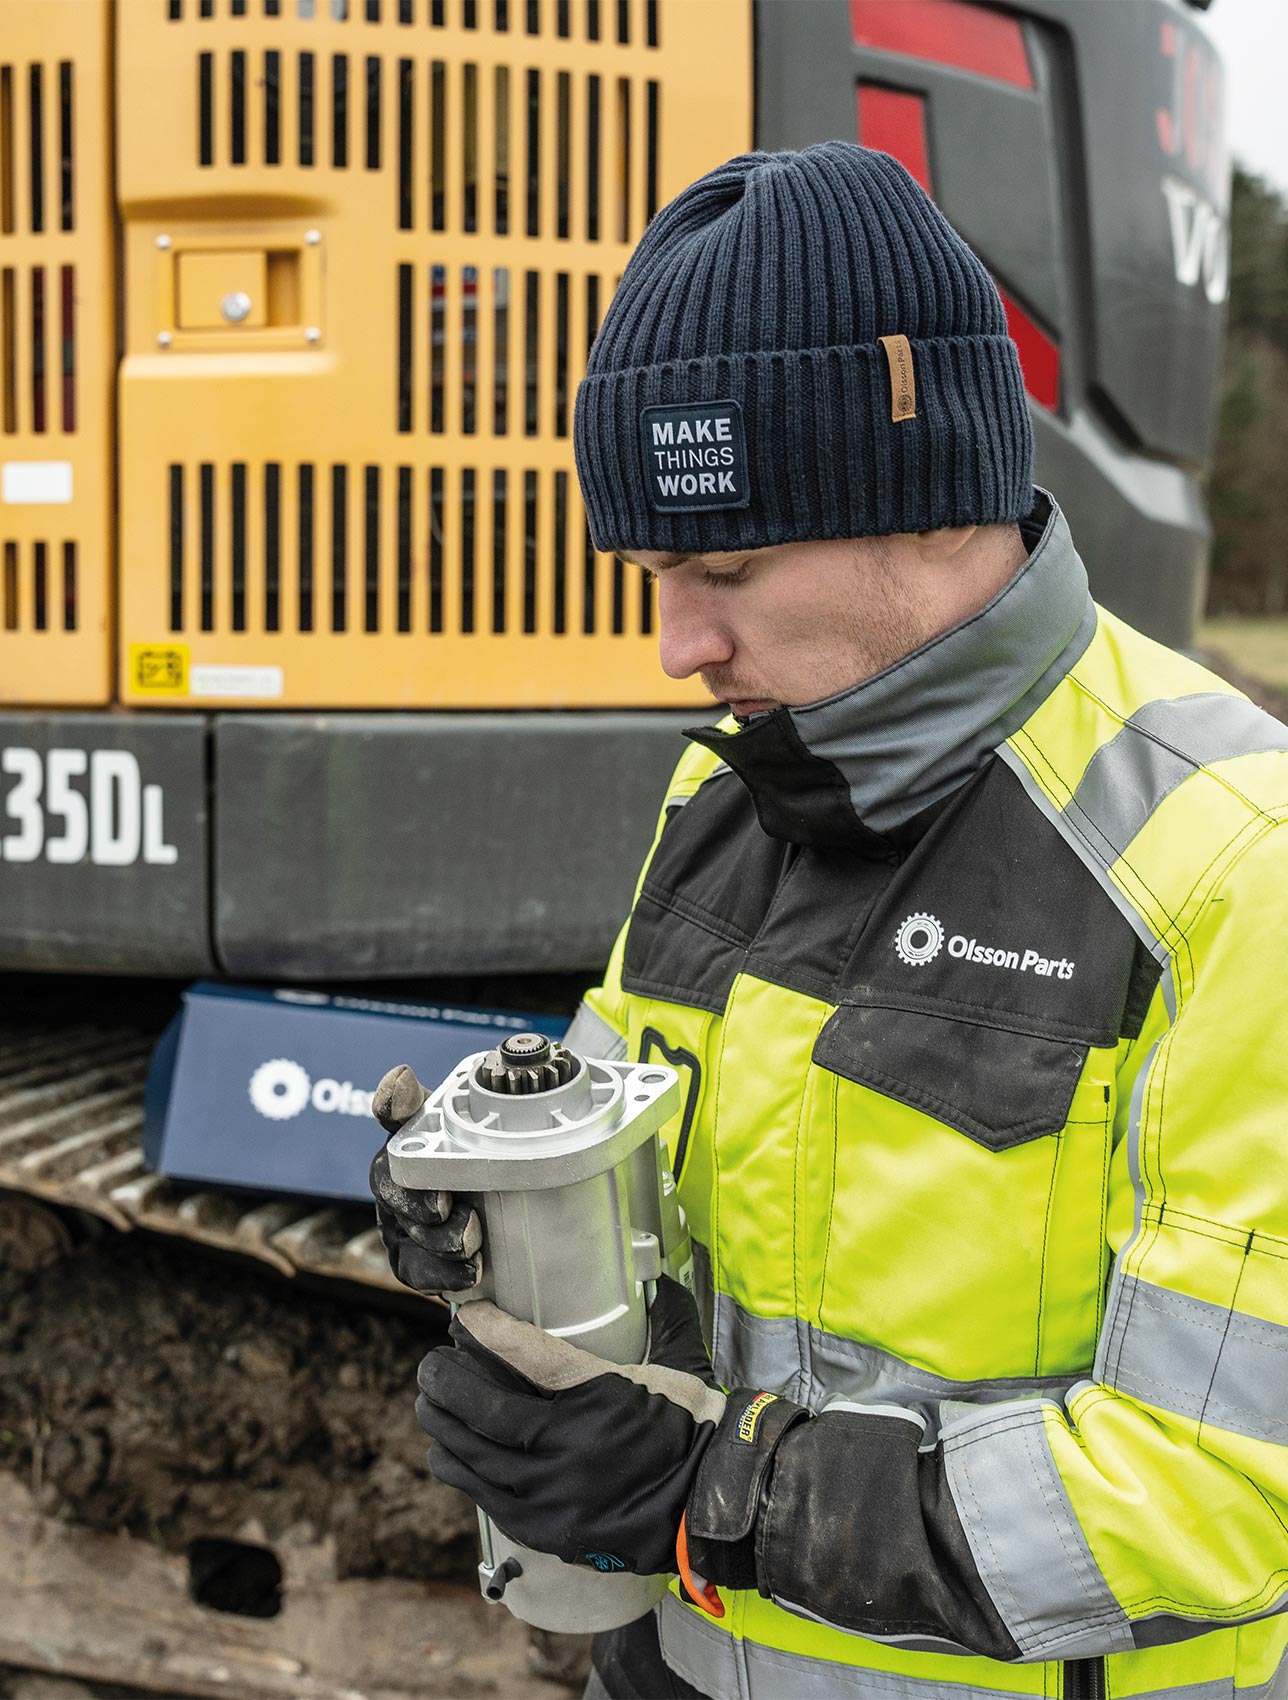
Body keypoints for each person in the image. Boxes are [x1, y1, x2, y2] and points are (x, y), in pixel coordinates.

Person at [371, 143, 1288, 1700]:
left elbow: (1226, 1490)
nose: (676, 644)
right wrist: (491, 1208)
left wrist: (710, 1496)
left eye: (722, 567)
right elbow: (636, 1155)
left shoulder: (1233, 864)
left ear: (927, 506)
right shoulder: (726, 791)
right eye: (652, 574)